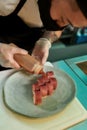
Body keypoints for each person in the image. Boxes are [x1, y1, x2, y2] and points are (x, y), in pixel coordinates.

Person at [0, 0, 87, 70]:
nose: (61, 25)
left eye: (68, 23)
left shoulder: (64, 11)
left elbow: (56, 31)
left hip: (21, 65)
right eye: (63, 18)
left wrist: (45, 41)